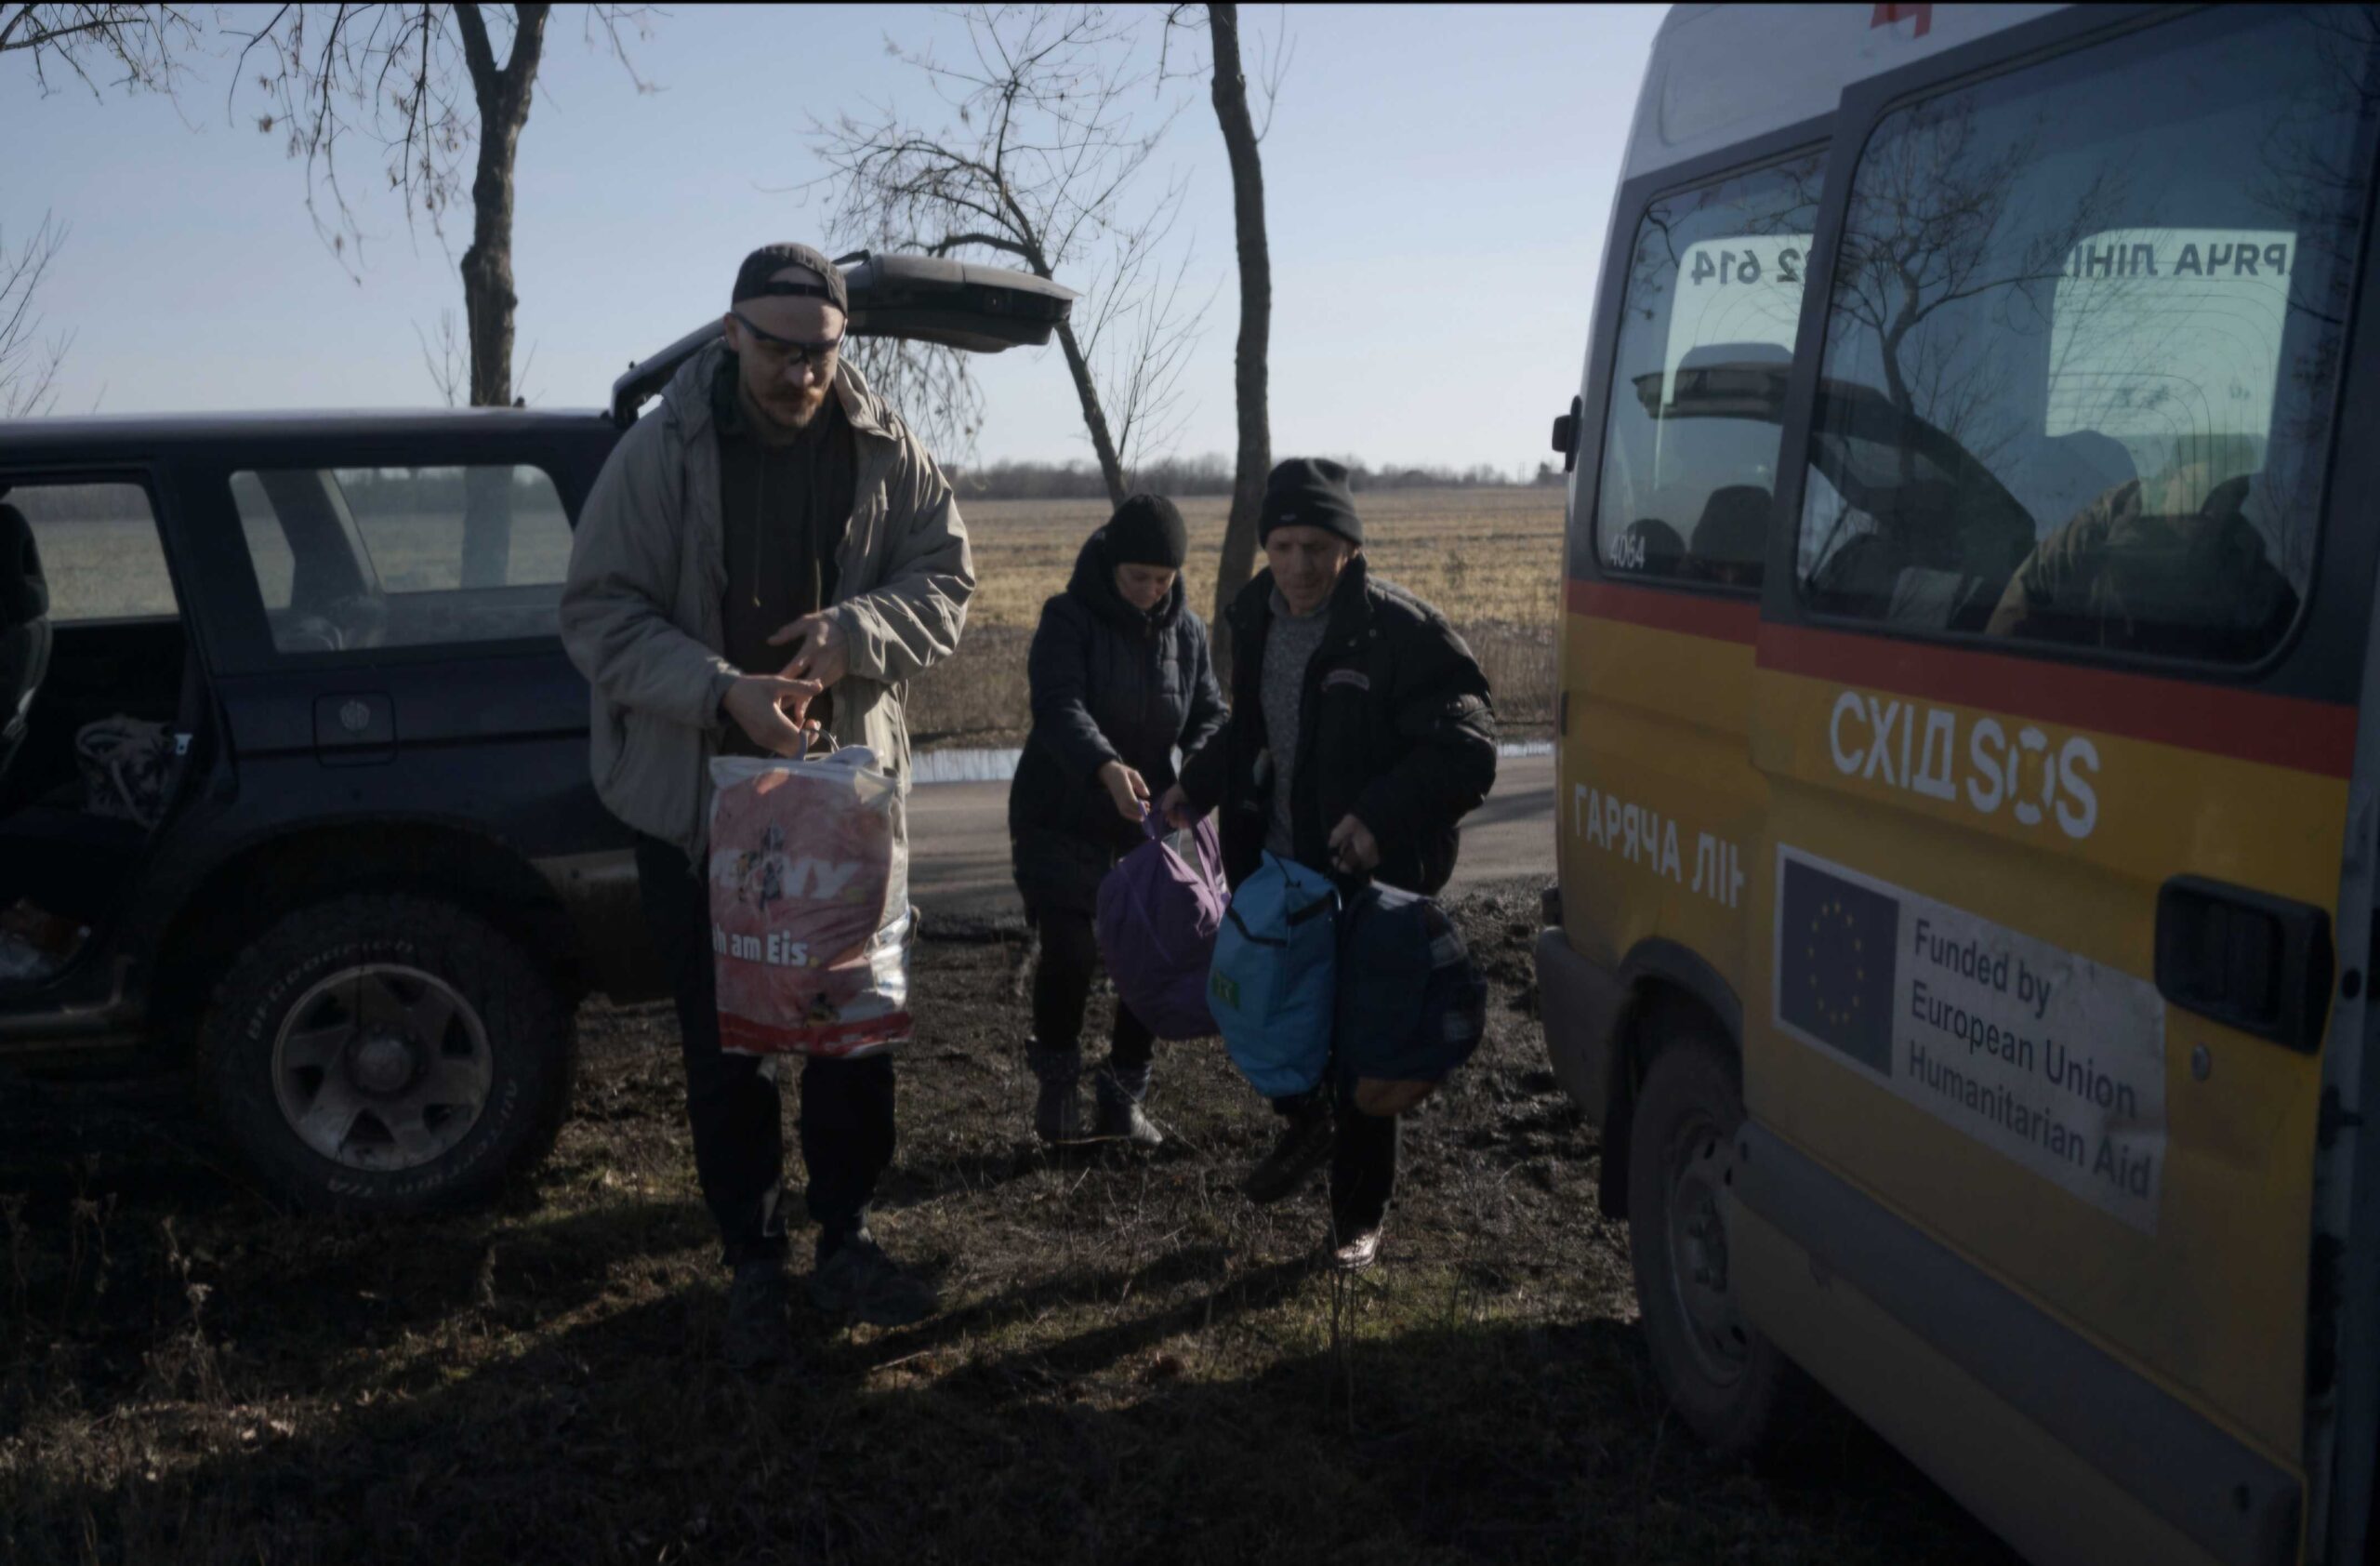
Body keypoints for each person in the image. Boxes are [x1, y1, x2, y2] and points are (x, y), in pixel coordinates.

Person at [561, 243, 974, 1368]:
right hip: (699, 806)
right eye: (780, 351)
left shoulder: (886, 448)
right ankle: (752, 1259)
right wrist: (720, 692)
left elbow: (947, 578)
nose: (802, 376)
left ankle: (847, 1237)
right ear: (732, 333)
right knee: (726, 1048)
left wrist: (856, 631)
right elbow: (598, 614)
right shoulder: (660, 454)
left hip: (841, 802)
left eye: (821, 353)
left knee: (852, 1036)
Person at [1158, 458, 1496, 1271]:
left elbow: (1469, 746)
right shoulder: (1256, 617)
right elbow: (1251, 730)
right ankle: (1306, 1120)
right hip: (1280, 867)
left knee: (1361, 1048)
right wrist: (1195, 788)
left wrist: (1380, 819)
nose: (1299, 565)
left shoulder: (1396, 632)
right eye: (1283, 546)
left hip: (1369, 880)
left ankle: (1356, 1222)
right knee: (1268, 1009)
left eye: (1317, 546)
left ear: (1349, 547)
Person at [1009, 494, 1226, 1148]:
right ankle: (1057, 1086)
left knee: (1153, 951)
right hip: (1060, 810)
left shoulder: (1188, 633)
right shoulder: (1067, 617)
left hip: (1146, 820)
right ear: (1110, 564)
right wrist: (1103, 766)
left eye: (1163, 579)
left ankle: (1124, 1094)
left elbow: (1209, 715)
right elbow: (1058, 705)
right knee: (1070, 951)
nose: (1151, 591)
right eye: (1138, 577)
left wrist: (1197, 772)